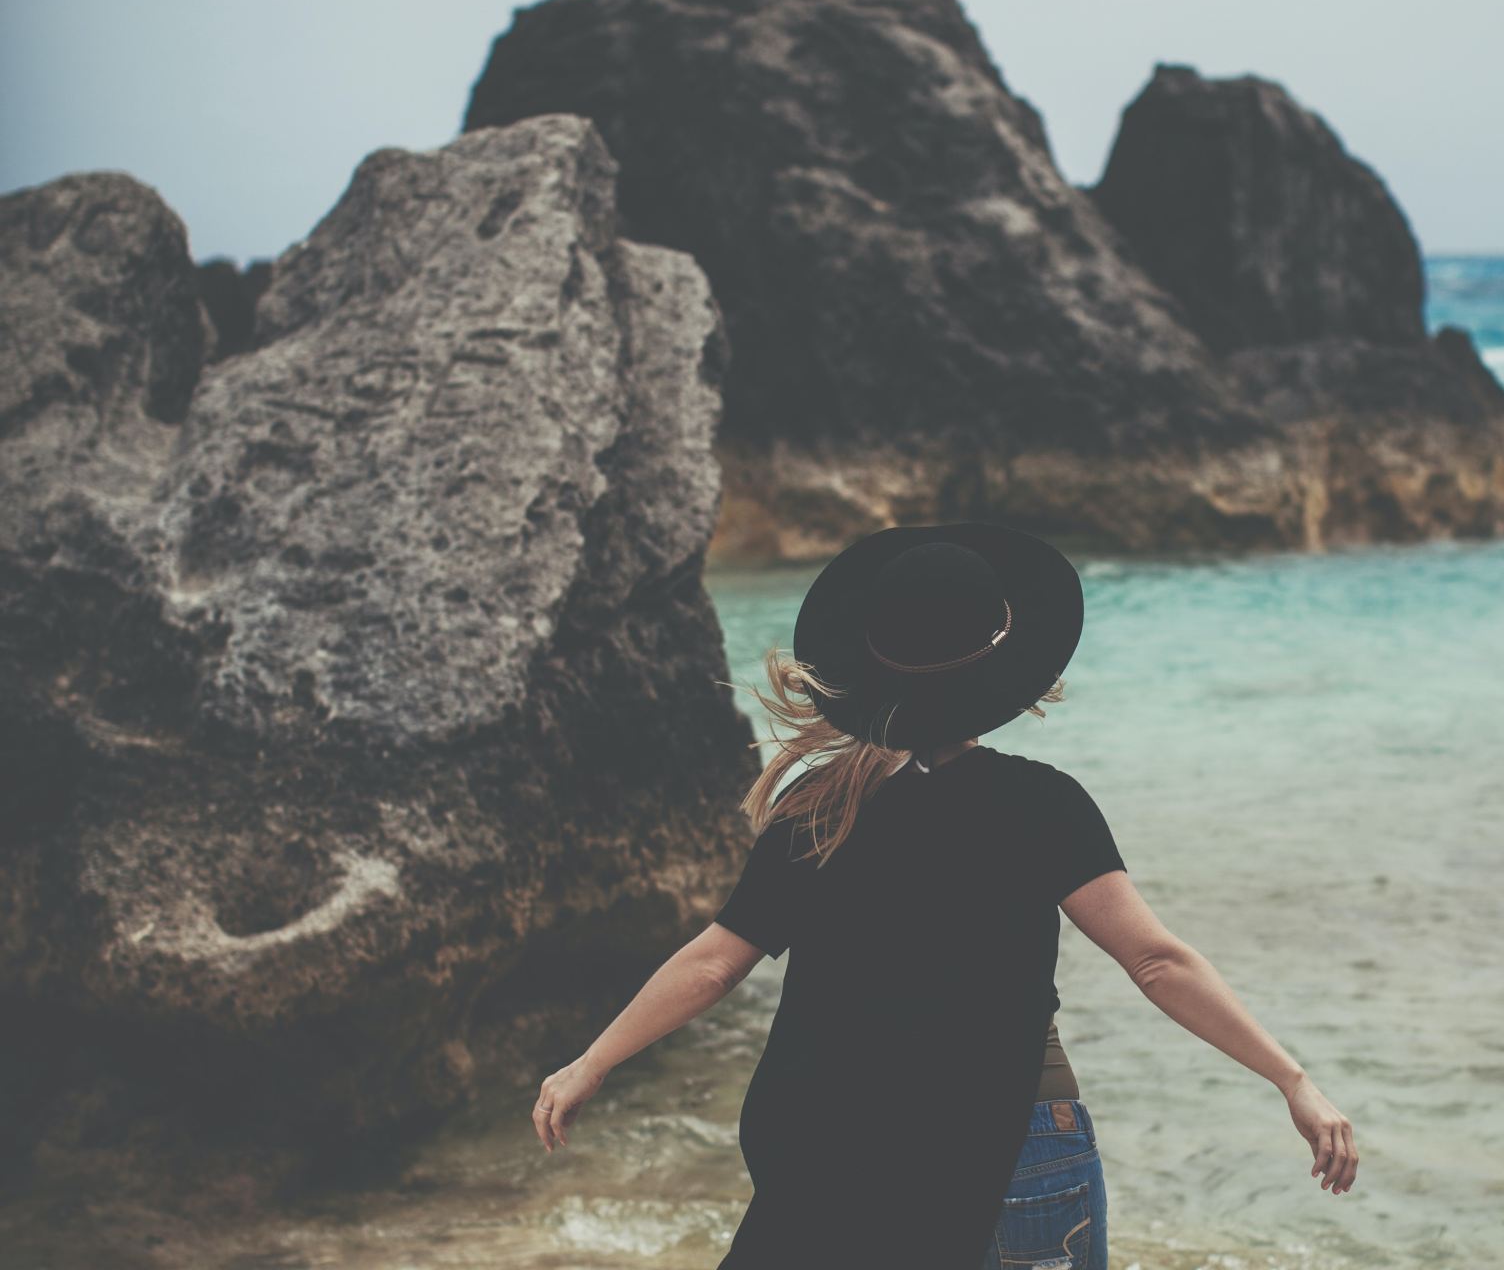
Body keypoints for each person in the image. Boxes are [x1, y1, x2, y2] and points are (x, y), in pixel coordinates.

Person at [529, 522, 1358, 1268]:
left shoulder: (815, 809)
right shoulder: (1041, 804)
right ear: (1004, 665)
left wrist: (592, 1061)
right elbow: (1155, 961)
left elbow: (713, 964)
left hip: (838, 1151)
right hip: (1012, 1143)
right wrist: (1291, 1080)